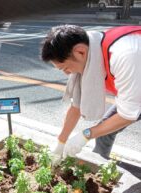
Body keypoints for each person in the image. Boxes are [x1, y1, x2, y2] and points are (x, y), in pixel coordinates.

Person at [41, 25, 141, 164]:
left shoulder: (124, 54)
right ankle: (102, 170)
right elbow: (76, 106)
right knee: (104, 133)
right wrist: (61, 142)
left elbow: (127, 115)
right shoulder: (91, 51)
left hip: (136, 92)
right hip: (136, 92)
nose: (67, 73)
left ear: (80, 52)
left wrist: (85, 135)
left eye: (65, 67)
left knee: (101, 130)